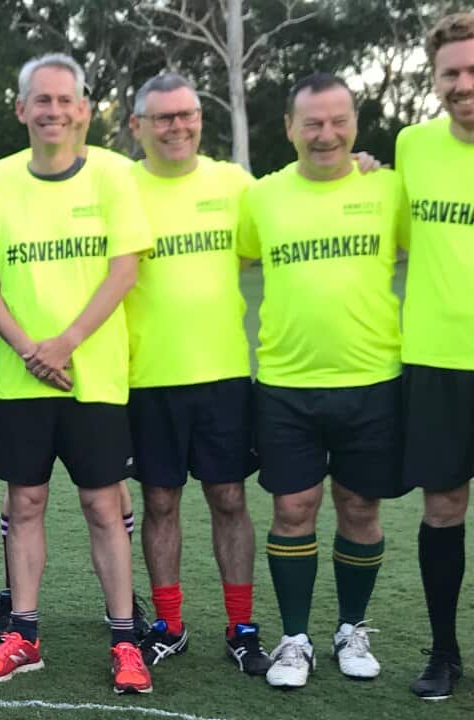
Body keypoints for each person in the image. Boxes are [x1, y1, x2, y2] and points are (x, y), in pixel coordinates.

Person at [0, 53, 153, 694]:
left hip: (93, 377)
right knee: (25, 503)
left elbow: (124, 270)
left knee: (104, 506)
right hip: (24, 380)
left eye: (63, 100)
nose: (52, 111)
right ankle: (24, 635)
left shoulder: (114, 175)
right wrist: (29, 350)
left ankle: (127, 641)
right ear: (21, 109)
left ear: (83, 108)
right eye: (39, 100)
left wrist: (66, 343)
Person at [237, 73, 408, 690]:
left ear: (356, 124)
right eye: (312, 122)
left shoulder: (390, 190)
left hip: (374, 379)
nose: (326, 134)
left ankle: (351, 628)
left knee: (361, 508)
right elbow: (229, 259)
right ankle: (294, 638)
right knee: (293, 507)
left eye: (338, 121)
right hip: (286, 382)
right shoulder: (260, 198)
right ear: (289, 128)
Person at [122, 73, 270, 674]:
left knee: (229, 498)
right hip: (146, 377)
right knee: (159, 501)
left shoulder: (235, 184)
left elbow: (292, 212)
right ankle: (170, 624)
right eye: (163, 117)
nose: (178, 126)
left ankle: (241, 629)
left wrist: (360, 165)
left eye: (187, 115)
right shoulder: (118, 185)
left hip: (223, 375)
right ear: (138, 126)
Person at [399, 11, 474, 701]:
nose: (464, 83)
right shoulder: (411, 147)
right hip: (436, 361)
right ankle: (445, 653)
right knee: (444, 505)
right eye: (452, 72)